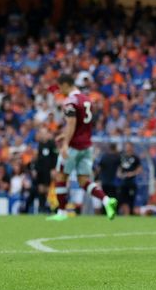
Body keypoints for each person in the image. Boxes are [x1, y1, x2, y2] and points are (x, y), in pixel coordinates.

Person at [47, 74, 117, 221]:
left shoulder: (70, 101)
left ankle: (61, 212)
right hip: (86, 146)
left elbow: (71, 123)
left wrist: (65, 143)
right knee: (84, 180)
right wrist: (63, 134)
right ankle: (106, 201)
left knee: (61, 176)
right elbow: (81, 125)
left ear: (66, 84)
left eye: (60, 88)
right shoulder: (87, 99)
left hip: (73, 146)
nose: (60, 91)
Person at [28, 127, 57, 213]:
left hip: (49, 170)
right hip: (40, 170)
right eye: (41, 133)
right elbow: (36, 159)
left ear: (47, 134)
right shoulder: (38, 145)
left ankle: (52, 208)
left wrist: (53, 169)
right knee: (40, 188)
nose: (43, 135)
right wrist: (35, 170)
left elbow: (55, 157)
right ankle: (42, 208)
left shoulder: (51, 144)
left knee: (48, 189)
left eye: (44, 133)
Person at [118, 142, 142, 216]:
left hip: (132, 182)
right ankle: (125, 213)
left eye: (128, 146)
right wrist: (120, 174)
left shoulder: (135, 157)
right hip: (123, 182)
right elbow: (119, 168)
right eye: (126, 146)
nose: (127, 148)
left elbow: (139, 169)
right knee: (122, 198)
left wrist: (132, 174)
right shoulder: (122, 157)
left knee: (131, 198)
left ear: (132, 147)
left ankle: (130, 213)